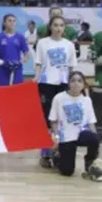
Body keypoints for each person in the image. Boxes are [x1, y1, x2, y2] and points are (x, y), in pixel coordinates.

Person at [34, 15, 77, 168]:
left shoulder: (69, 45)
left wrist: (74, 84)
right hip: (46, 83)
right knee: (47, 118)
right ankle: (45, 153)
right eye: (56, 25)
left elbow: (72, 67)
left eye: (61, 25)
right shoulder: (42, 43)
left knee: (61, 117)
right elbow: (38, 63)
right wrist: (36, 77)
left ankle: (59, 150)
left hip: (63, 84)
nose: (59, 28)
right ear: (50, 27)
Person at [48, 71, 102, 182]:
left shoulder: (87, 100)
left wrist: (95, 142)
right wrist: (56, 137)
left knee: (94, 137)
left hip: (81, 134)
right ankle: (57, 156)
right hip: (66, 136)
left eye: (79, 81)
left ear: (83, 84)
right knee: (67, 172)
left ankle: (89, 163)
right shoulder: (59, 98)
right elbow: (53, 120)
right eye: (73, 80)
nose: (76, 84)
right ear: (68, 83)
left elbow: (91, 122)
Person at [0, 14, 29, 86]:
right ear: (4, 23)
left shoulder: (20, 37)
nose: (12, 22)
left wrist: (19, 62)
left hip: (17, 71)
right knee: (2, 94)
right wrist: (1, 62)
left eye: (14, 21)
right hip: (2, 71)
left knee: (16, 94)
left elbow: (27, 55)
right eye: (9, 21)